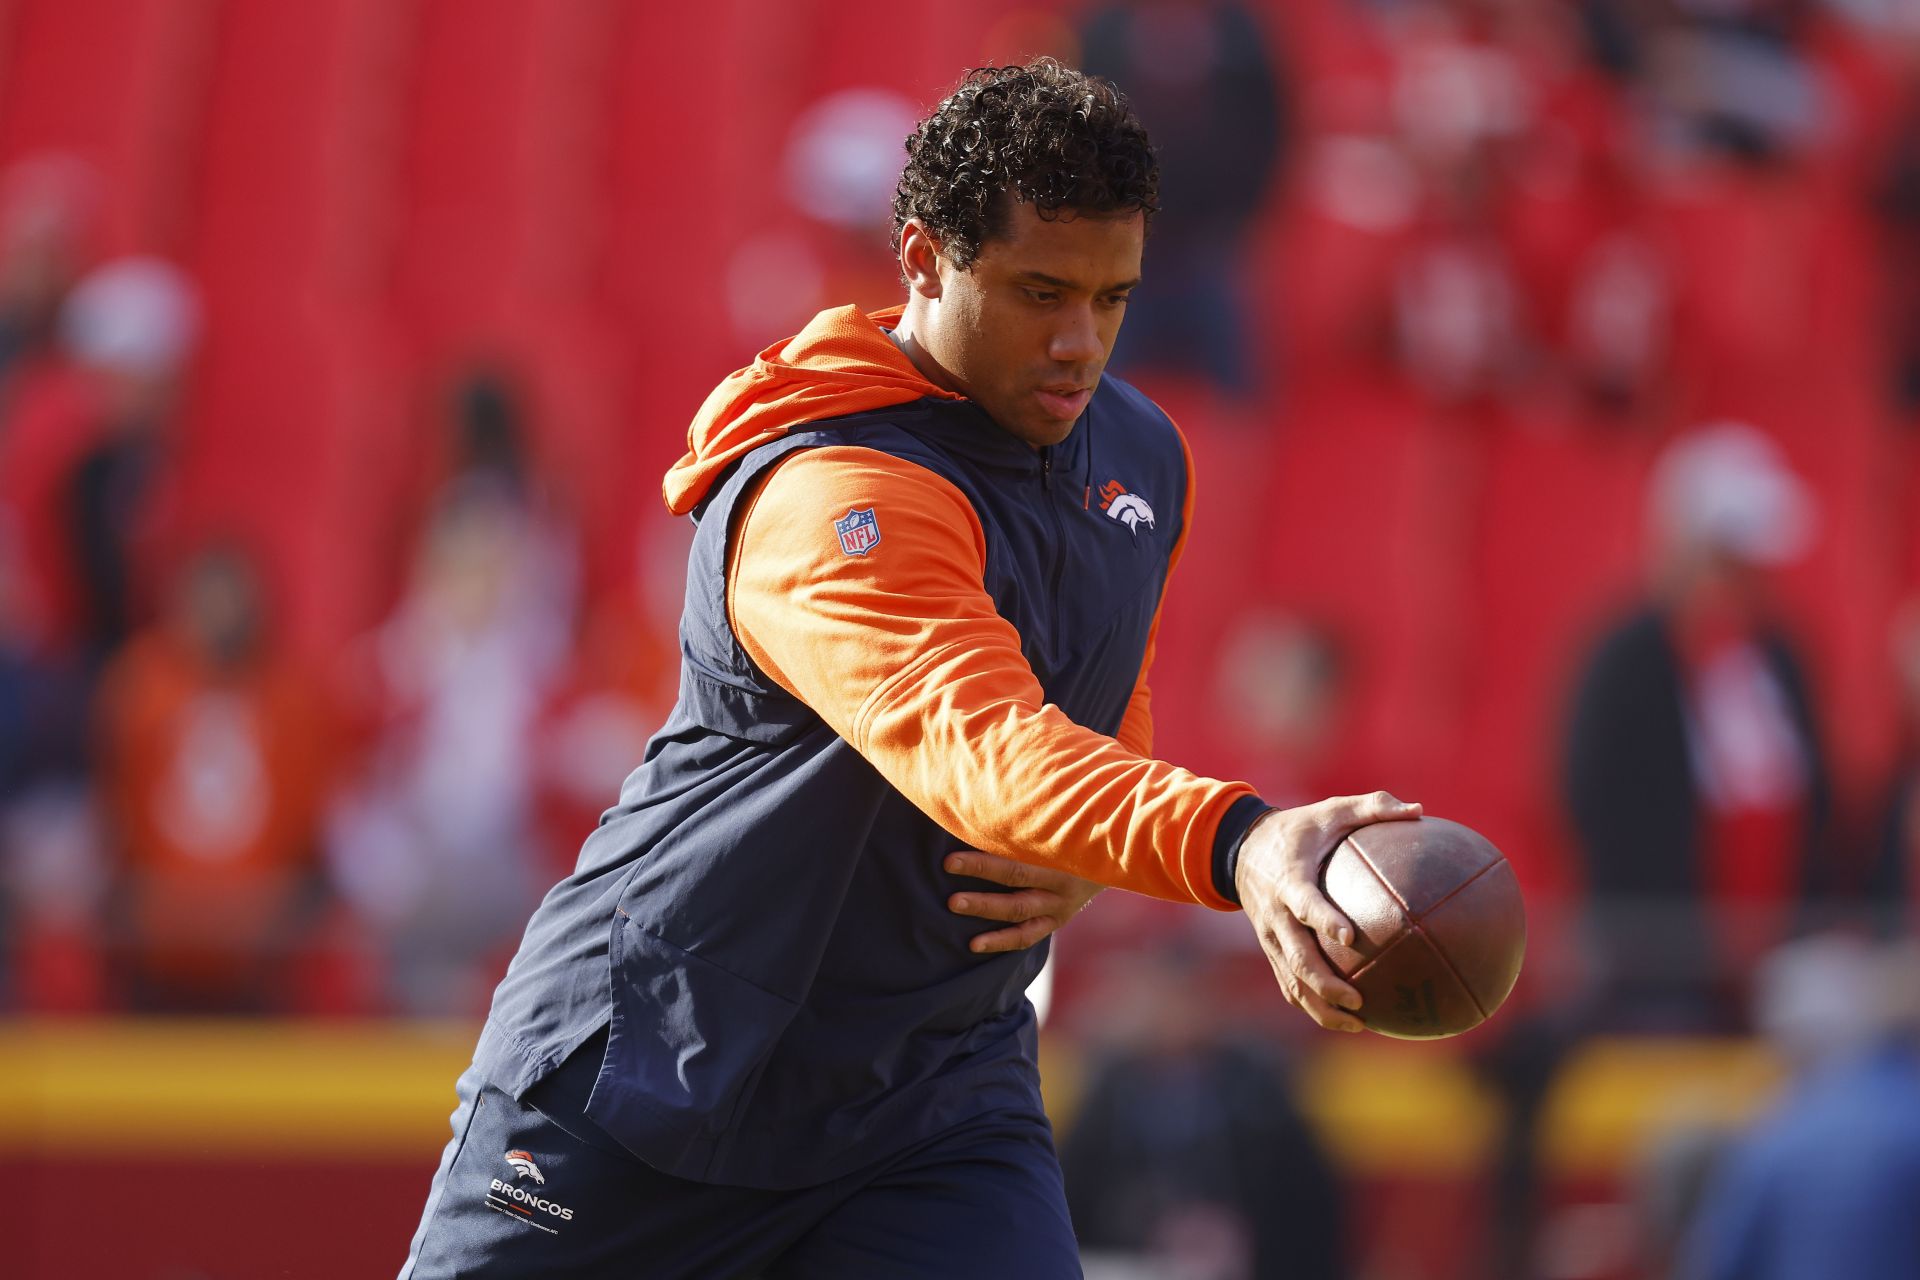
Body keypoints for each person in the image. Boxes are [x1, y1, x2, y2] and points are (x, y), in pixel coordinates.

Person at [400, 59, 1417, 1280]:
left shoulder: (1140, 454)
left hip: (926, 1096)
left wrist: (1089, 844)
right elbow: (979, 742)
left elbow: (1097, 696)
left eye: (1114, 296)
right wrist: (1240, 841)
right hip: (657, 1070)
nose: (1080, 341)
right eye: (1041, 291)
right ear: (926, 258)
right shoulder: (831, 488)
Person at [1562, 422, 1831, 1032]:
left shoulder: (1781, 657)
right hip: (1663, 966)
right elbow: (1601, 806)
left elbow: (1816, 800)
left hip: (1779, 966)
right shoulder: (1626, 664)